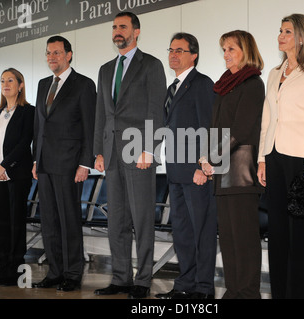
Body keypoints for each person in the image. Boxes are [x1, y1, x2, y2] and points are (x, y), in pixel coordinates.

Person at [93, 12, 166, 299]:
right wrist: (98, 151)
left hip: (139, 154)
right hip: (111, 155)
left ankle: (143, 280)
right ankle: (121, 278)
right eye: (114, 27)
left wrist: (149, 149)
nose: (117, 31)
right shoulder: (105, 69)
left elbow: (155, 110)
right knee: (117, 222)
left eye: (122, 27)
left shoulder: (151, 65)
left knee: (142, 219)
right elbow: (102, 113)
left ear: (136, 32)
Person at [256, 14, 304, 299]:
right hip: (273, 156)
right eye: (280, 31)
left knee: (301, 233)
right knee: (278, 232)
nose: (280, 36)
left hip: (300, 159)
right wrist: (261, 157)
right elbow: (266, 119)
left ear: (301, 37)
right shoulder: (274, 72)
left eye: (287, 31)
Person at [200, 30, 265, 299]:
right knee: (228, 239)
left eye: (231, 49)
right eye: (223, 49)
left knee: (245, 239)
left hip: (241, 171)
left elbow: (241, 129)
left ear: (246, 51)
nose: (225, 54)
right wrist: (207, 157)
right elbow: (216, 129)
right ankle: (234, 290)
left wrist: (211, 158)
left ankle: (248, 293)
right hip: (222, 172)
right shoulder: (225, 84)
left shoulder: (252, 83)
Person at [155, 33, 217, 300]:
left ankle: (203, 289)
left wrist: (202, 165)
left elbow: (208, 127)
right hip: (176, 172)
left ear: (194, 55)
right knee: (182, 232)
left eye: (179, 50)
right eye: (171, 49)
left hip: (195, 173)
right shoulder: (172, 88)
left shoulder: (202, 84)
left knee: (202, 231)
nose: (173, 54)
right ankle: (185, 285)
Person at [31, 36, 96, 292]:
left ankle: (72, 274)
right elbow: (39, 126)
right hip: (45, 164)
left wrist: (85, 164)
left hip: (70, 165)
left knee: (69, 221)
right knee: (49, 221)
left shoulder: (83, 85)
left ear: (69, 55)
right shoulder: (42, 84)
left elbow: (90, 127)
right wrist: (36, 159)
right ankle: (55, 272)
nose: (51, 57)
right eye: (48, 53)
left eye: (57, 53)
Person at [0, 68, 35, 286]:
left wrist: (4, 166)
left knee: (16, 224)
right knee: (2, 223)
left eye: (10, 80)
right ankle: (3, 271)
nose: (6, 84)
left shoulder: (28, 111)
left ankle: (15, 271)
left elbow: (25, 143)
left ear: (20, 85)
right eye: (2, 80)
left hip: (17, 174)